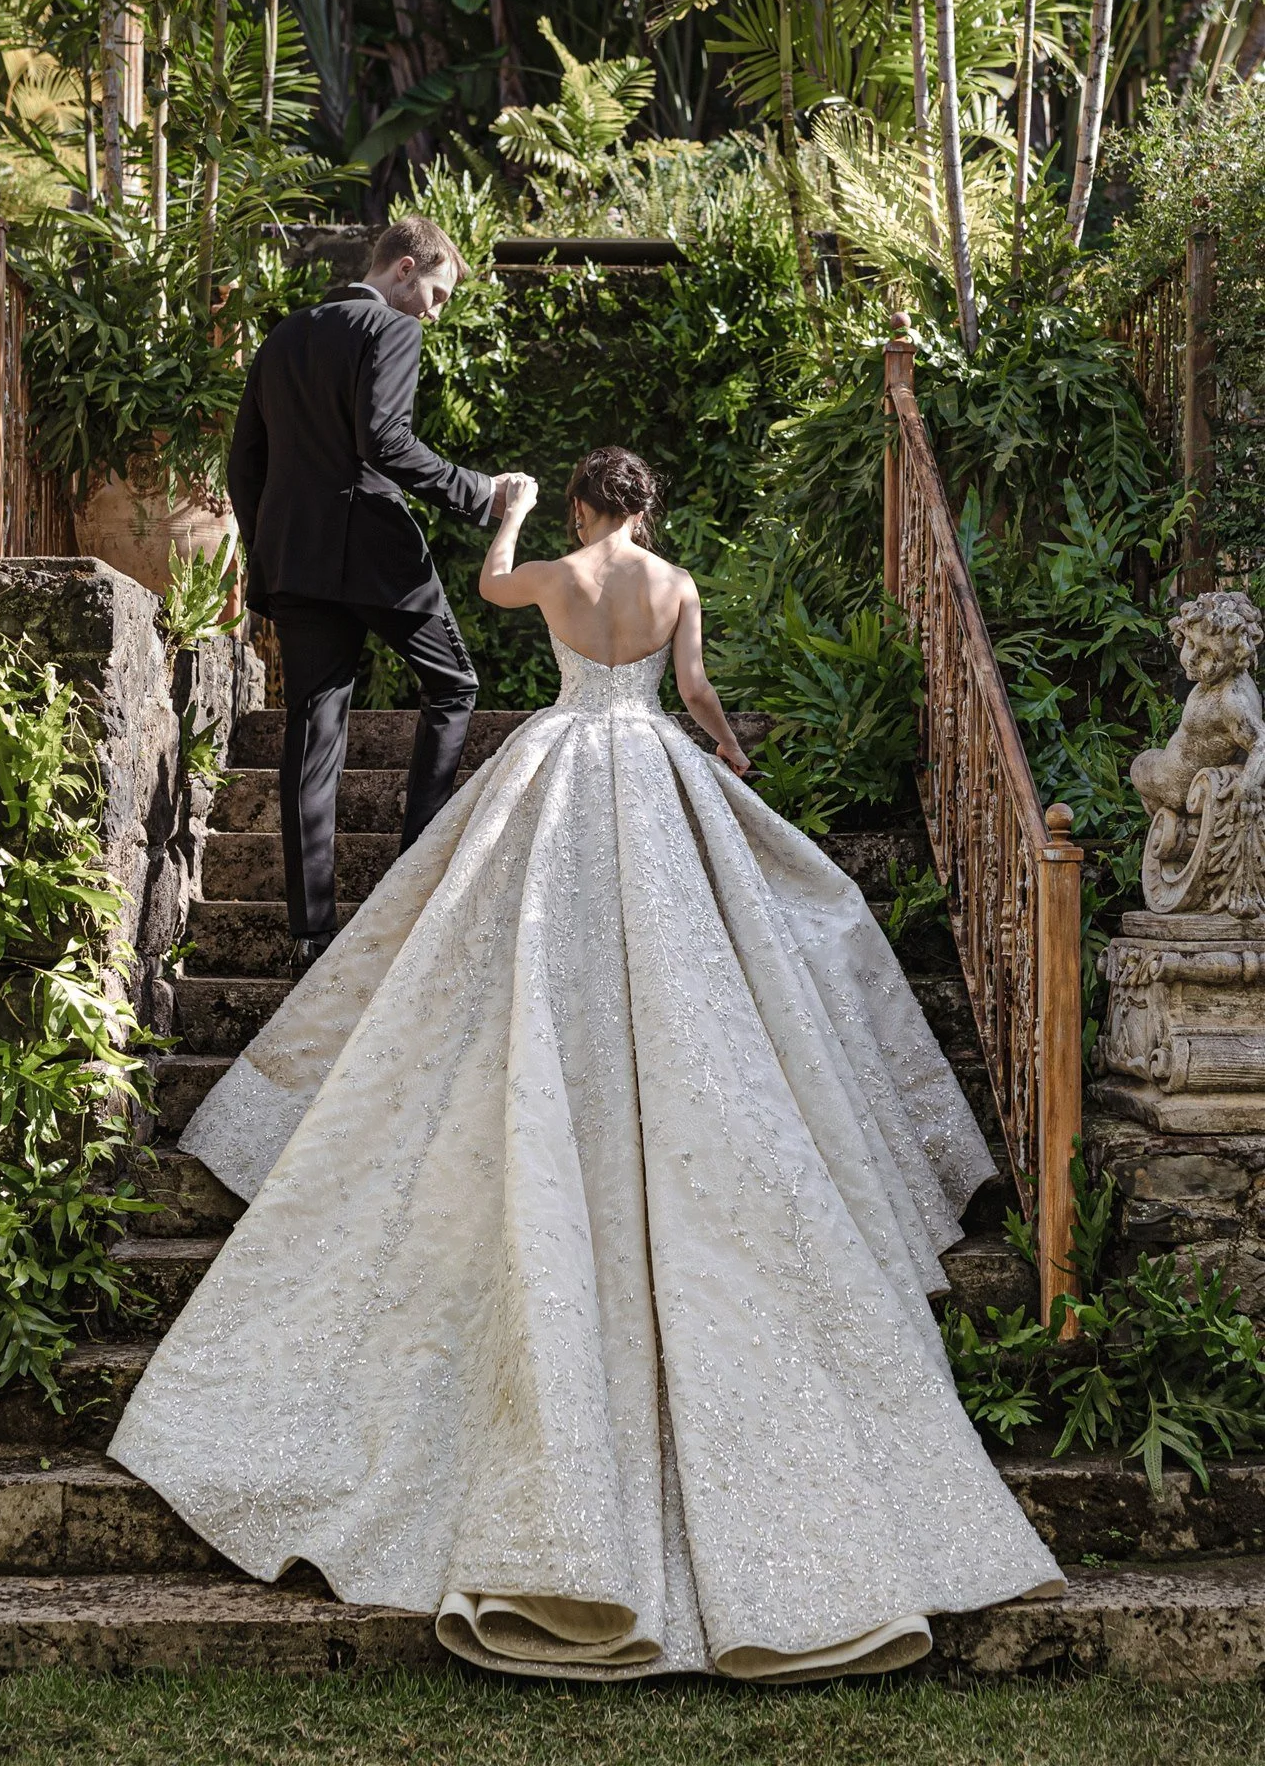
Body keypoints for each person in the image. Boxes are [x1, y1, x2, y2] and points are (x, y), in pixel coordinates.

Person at [110, 446, 1063, 1680]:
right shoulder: (675, 585)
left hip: (563, 764)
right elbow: (701, 692)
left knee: (491, 939)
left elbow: (493, 587)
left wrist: (503, 516)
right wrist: (725, 750)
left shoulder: (556, 570)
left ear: (579, 503)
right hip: (654, 766)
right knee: (707, 967)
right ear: (651, 507)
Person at [227, 213, 528, 972]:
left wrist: (270, 550)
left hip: (295, 559)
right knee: (453, 683)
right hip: (372, 553)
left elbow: (245, 463)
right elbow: (384, 442)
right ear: (402, 268)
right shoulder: (392, 332)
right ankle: (410, 883)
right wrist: (479, 492)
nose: (433, 310)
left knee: (313, 731)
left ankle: (311, 932)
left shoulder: (284, 336)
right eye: (434, 292)